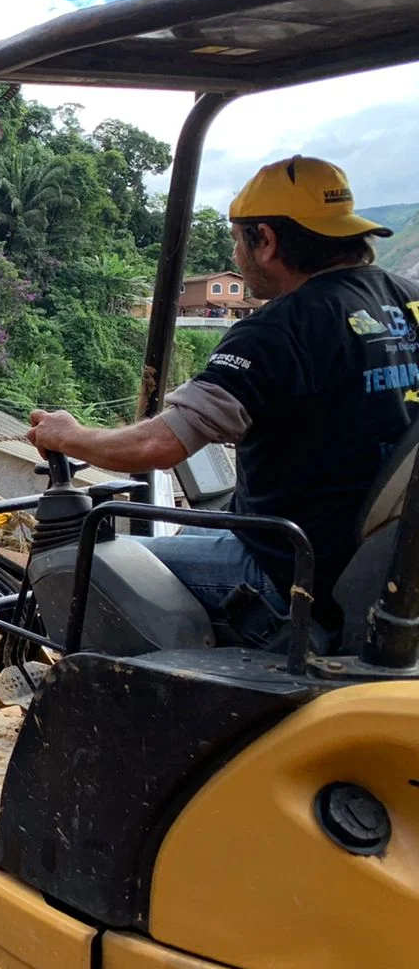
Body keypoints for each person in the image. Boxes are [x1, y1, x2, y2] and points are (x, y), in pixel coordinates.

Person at [28, 155, 419, 626]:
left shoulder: (278, 330)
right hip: (385, 562)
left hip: (294, 572)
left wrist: (66, 435)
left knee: (81, 562)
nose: (235, 256)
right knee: (164, 545)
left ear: (267, 240)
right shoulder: (406, 298)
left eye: (238, 241)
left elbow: (158, 445)